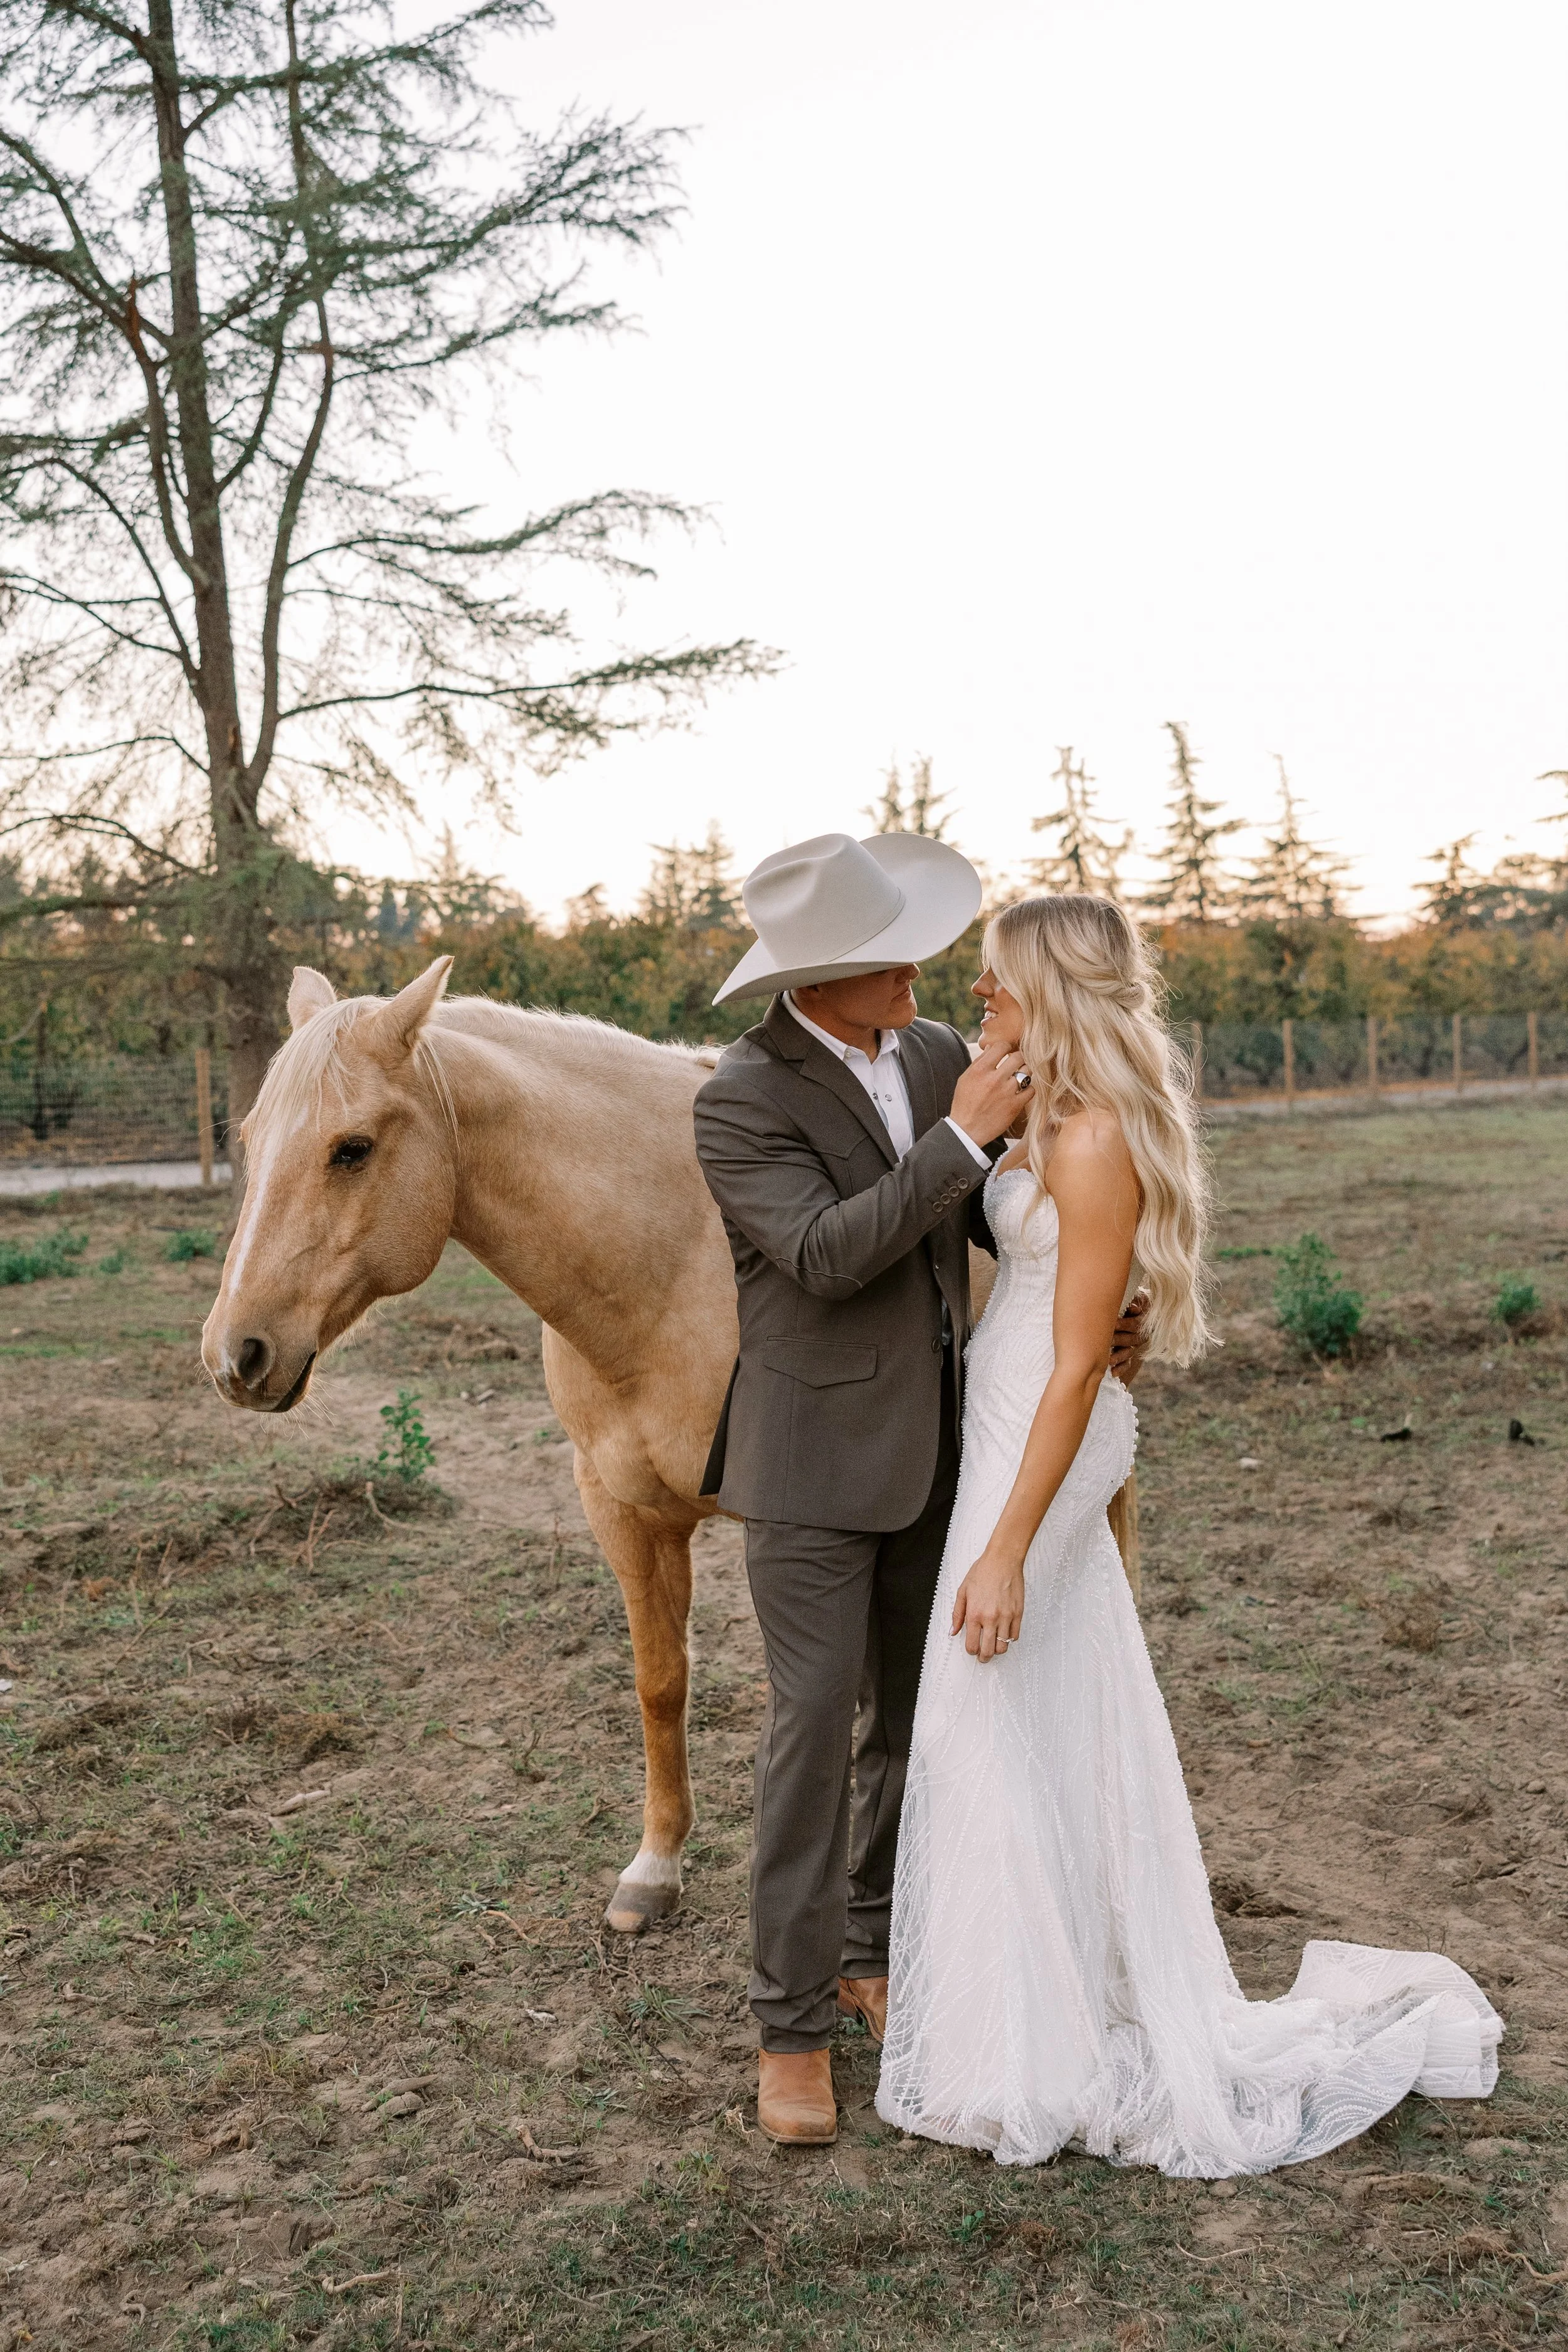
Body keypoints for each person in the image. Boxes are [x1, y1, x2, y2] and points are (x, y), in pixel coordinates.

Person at [876, 891, 1502, 2177]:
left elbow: (1068, 1370)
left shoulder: (1096, 1137)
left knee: (969, 1717)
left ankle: (1027, 2056)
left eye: (994, 981)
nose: (976, 998)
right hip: (1015, 1413)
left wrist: (1004, 1544)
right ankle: (1033, 2022)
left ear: (1049, 990)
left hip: (1039, 1441)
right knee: (1026, 1716)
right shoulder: (1042, 1111)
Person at [693, 831, 1146, 2146]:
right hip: (809, 1470)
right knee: (811, 1733)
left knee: (914, 1722)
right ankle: (788, 2027)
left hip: (948, 1454)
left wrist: (1104, 1312)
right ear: (818, 978)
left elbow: (997, 1211)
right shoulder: (738, 1101)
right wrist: (958, 1139)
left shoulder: (944, 1049)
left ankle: (871, 1946)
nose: (919, 968)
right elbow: (830, 1256)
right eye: (886, 956)